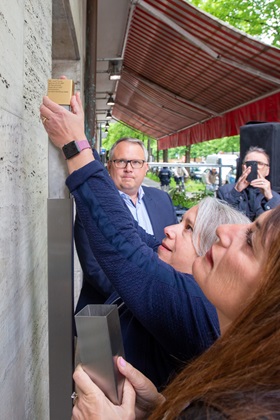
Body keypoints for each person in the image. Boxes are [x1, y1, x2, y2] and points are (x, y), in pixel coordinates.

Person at [40, 92, 249, 389]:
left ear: (212, 253)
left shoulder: (198, 305)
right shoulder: (184, 277)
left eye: (187, 228)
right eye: (121, 162)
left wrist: (75, 146)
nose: (169, 230)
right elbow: (130, 235)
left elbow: (125, 248)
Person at [72, 206, 280, 419]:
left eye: (250, 240)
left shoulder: (231, 409)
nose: (223, 231)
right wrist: (160, 409)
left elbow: (126, 247)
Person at [74, 137, 177, 311]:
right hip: (112, 311)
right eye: (121, 161)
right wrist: (145, 302)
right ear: (109, 165)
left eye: (136, 162)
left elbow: (174, 253)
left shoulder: (163, 200)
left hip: (163, 308)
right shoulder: (94, 204)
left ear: (146, 168)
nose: (128, 169)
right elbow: (95, 270)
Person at [217, 146, 280, 220]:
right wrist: (236, 192)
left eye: (260, 163)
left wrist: (269, 198)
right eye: (251, 163)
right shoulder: (225, 191)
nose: (256, 167)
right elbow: (222, 218)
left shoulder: (275, 197)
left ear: (267, 171)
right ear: (243, 167)